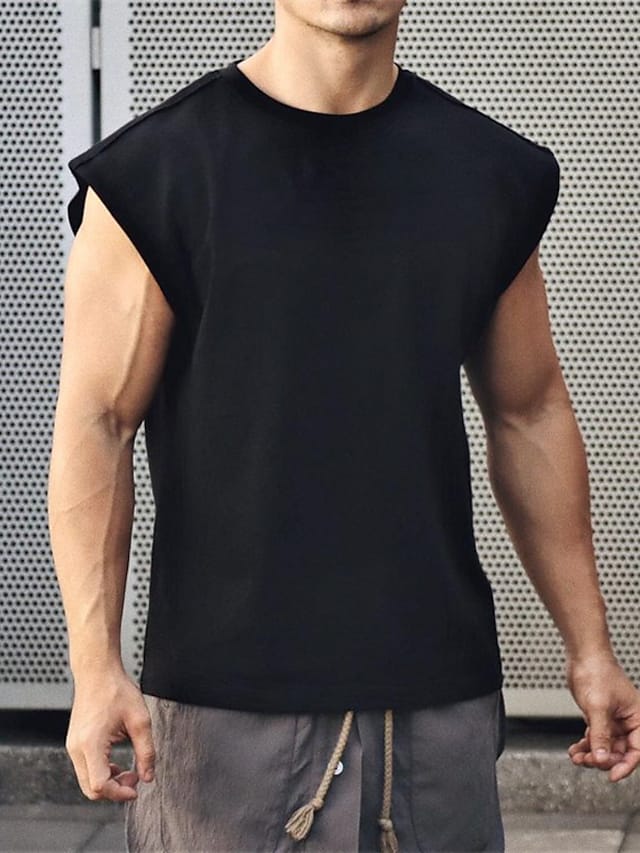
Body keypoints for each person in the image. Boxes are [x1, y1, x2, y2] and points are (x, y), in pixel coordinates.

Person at [48, 1, 640, 851]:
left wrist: (590, 648)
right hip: (225, 712)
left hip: (439, 701)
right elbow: (99, 422)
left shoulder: (487, 171)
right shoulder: (158, 171)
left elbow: (529, 410)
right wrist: (94, 664)